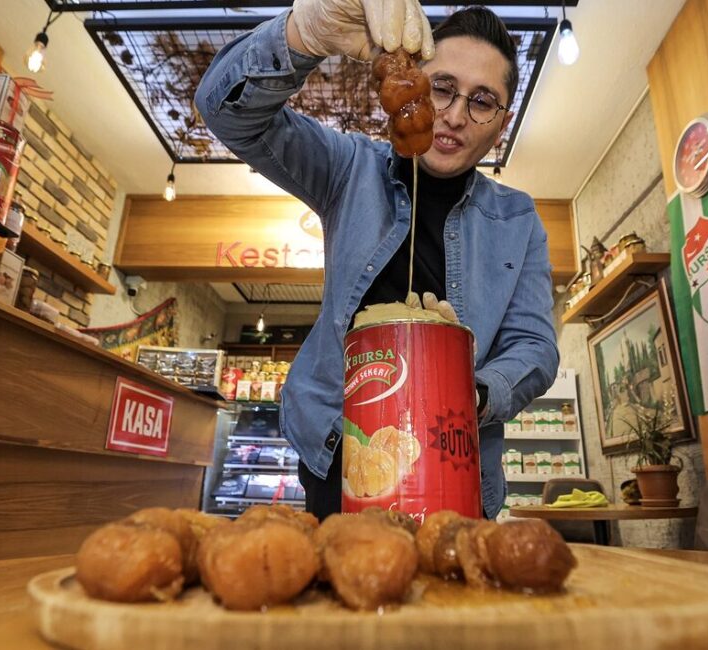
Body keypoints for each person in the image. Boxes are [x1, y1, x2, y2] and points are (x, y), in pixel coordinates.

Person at [195, 0, 559, 520]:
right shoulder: (349, 168)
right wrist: (302, 35)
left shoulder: (518, 219)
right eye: (443, 87)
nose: (455, 115)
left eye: (482, 101)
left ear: (499, 126)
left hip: (454, 461)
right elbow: (224, 112)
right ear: (415, 82)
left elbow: (534, 346)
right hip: (338, 450)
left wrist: (464, 388)